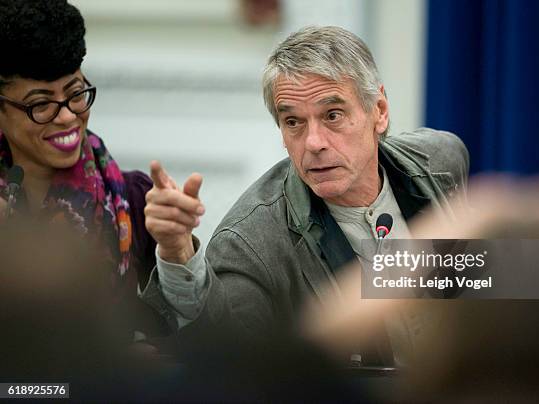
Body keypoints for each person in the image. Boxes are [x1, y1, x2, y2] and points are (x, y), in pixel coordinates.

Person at [142, 26, 469, 364]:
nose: (314, 143)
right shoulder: (250, 244)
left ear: (380, 111)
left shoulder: (441, 161)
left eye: (333, 115)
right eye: (294, 122)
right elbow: (227, 353)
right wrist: (177, 253)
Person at [0, 0, 186, 340]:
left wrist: (177, 253)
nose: (68, 116)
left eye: (76, 94)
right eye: (41, 105)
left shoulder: (133, 199)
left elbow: (193, 330)